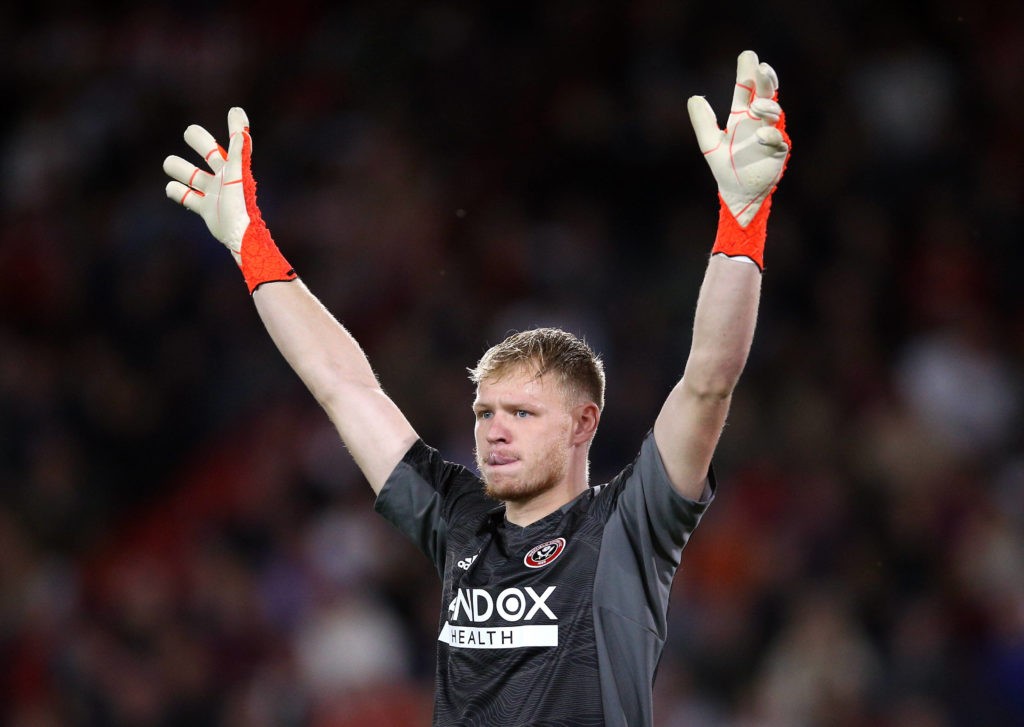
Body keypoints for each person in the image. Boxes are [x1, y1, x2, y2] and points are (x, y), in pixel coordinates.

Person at [162, 49, 790, 727]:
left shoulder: (627, 528)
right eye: (485, 410)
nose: (493, 427)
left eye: (522, 411)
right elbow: (343, 385)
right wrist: (251, 244)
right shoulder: (458, 519)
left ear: (584, 423)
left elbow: (707, 382)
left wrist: (742, 217)